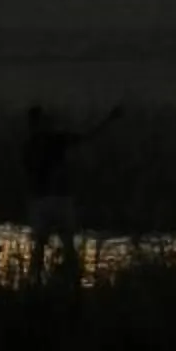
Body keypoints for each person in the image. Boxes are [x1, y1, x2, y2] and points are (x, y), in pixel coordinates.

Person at [23, 104, 122, 277]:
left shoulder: (32, 145)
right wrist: (109, 119)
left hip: (43, 200)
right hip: (56, 200)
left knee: (42, 248)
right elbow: (88, 136)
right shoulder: (55, 140)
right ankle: (70, 282)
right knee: (64, 247)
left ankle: (38, 284)